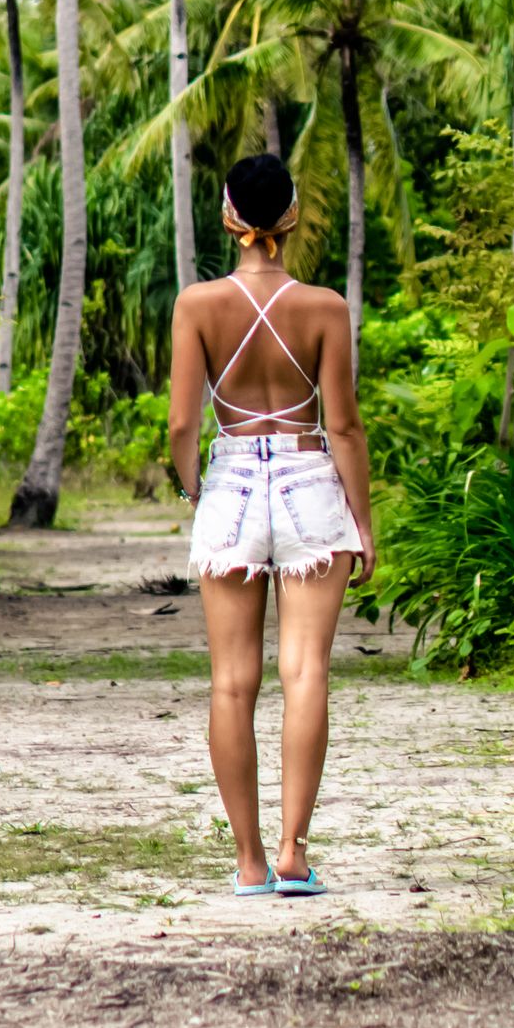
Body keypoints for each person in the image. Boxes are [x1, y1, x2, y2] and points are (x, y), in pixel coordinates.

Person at [166, 150, 374, 898]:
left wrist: (200, 493)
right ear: (289, 217)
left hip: (230, 486)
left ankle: (249, 863)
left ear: (229, 216)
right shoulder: (324, 307)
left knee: (231, 683)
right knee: (305, 671)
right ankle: (294, 852)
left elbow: (184, 423)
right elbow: (344, 426)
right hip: (309, 478)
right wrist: (363, 522)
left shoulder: (197, 305)